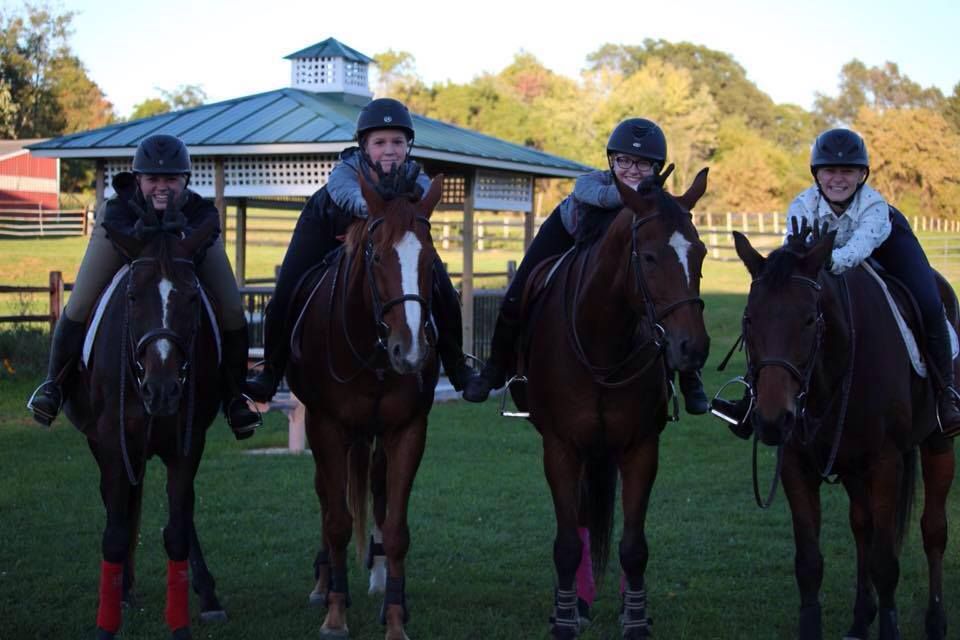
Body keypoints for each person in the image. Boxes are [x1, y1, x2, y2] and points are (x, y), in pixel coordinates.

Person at [711, 127, 960, 437]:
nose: (838, 178)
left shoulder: (875, 207)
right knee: (778, 315)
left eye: (848, 171)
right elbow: (794, 250)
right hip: (826, 253)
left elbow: (857, 251)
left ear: (862, 175)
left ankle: (946, 395)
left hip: (887, 246)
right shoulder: (802, 205)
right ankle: (752, 399)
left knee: (929, 301)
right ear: (817, 173)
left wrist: (824, 258)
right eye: (830, 170)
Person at [462, 117, 709, 413]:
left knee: (673, 297)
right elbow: (606, 197)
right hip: (567, 230)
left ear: (656, 169)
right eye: (624, 161)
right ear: (611, 161)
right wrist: (639, 195)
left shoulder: (657, 206)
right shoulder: (590, 184)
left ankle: (689, 377)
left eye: (643, 164)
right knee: (517, 291)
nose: (632, 170)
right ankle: (494, 370)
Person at [27, 134, 261, 439]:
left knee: (231, 308)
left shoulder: (200, 209)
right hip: (120, 245)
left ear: (186, 180)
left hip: (186, 253)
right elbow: (119, 230)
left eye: (171, 179)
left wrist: (180, 239)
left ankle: (235, 398)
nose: (162, 186)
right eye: (152, 179)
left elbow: (208, 228)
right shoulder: (119, 207)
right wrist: (142, 233)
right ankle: (53, 385)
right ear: (138, 180)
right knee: (80, 304)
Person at [245, 97, 476, 402]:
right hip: (327, 227)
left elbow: (421, 202)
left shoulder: (415, 177)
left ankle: (458, 368)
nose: (390, 149)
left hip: (388, 246)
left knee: (443, 288)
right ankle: (270, 373)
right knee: (286, 290)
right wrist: (379, 209)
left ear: (408, 147)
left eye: (398, 141)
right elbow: (353, 198)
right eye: (380, 142)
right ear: (364, 147)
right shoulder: (344, 172)